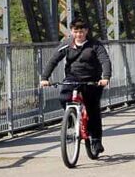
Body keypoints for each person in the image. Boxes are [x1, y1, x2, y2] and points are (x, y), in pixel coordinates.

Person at [39, 19, 111, 154]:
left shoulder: (95, 45)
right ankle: (71, 119)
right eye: (76, 32)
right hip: (72, 78)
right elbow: (53, 60)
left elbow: (105, 60)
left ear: (86, 31)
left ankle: (95, 140)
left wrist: (105, 77)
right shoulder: (66, 44)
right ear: (71, 32)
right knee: (63, 97)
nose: (79, 34)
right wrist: (44, 78)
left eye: (81, 31)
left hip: (92, 80)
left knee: (93, 109)